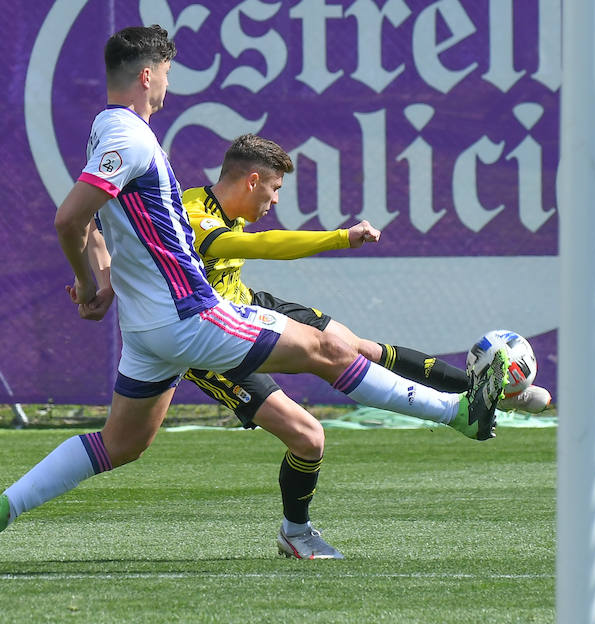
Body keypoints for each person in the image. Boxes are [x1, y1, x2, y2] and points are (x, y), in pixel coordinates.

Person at [0, 25, 508, 571]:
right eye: (165, 74)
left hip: (147, 332)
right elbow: (70, 218)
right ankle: (455, 412)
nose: (167, 86)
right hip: (187, 311)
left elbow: (99, 225)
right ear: (146, 75)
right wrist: (90, 284)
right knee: (327, 349)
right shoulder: (128, 136)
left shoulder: (104, 132)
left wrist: (104, 277)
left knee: (120, 443)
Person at [176, 134, 553, 559]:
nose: (276, 200)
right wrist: (340, 238)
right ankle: (295, 533)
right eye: (275, 188)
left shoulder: (230, 209)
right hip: (211, 343)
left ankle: (486, 394)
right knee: (308, 438)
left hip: (247, 305)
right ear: (252, 180)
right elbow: (254, 246)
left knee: (354, 345)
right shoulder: (192, 212)